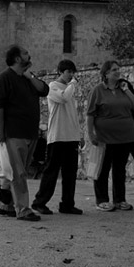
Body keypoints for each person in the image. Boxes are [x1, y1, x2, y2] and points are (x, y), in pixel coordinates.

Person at [0, 44, 49, 221]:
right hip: (13, 132)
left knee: (18, 170)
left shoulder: (27, 79)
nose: (29, 54)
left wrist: (29, 76)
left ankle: (5, 204)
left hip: (30, 132)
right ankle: (23, 208)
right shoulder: (3, 78)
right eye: (25, 53)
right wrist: (1, 129)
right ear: (17, 58)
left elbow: (44, 90)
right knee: (19, 173)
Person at [87, 60, 134, 212]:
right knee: (103, 169)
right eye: (114, 70)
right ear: (106, 73)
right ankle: (102, 200)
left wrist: (128, 91)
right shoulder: (97, 91)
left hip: (124, 137)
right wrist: (91, 133)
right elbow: (90, 114)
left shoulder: (124, 88)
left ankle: (119, 199)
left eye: (118, 69)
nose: (118, 72)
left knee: (119, 169)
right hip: (105, 137)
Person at [32, 59, 84, 215]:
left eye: (73, 72)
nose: (71, 75)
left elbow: (73, 114)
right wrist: (73, 84)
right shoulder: (53, 87)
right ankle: (39, 202)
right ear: (61, 72)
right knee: (51, 171)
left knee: (70, 172)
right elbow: (63, 98)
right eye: (69, 72)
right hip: (57, 136)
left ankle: (67, 203)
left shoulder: (70, 89)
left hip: (71, 136)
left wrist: (78, 135)